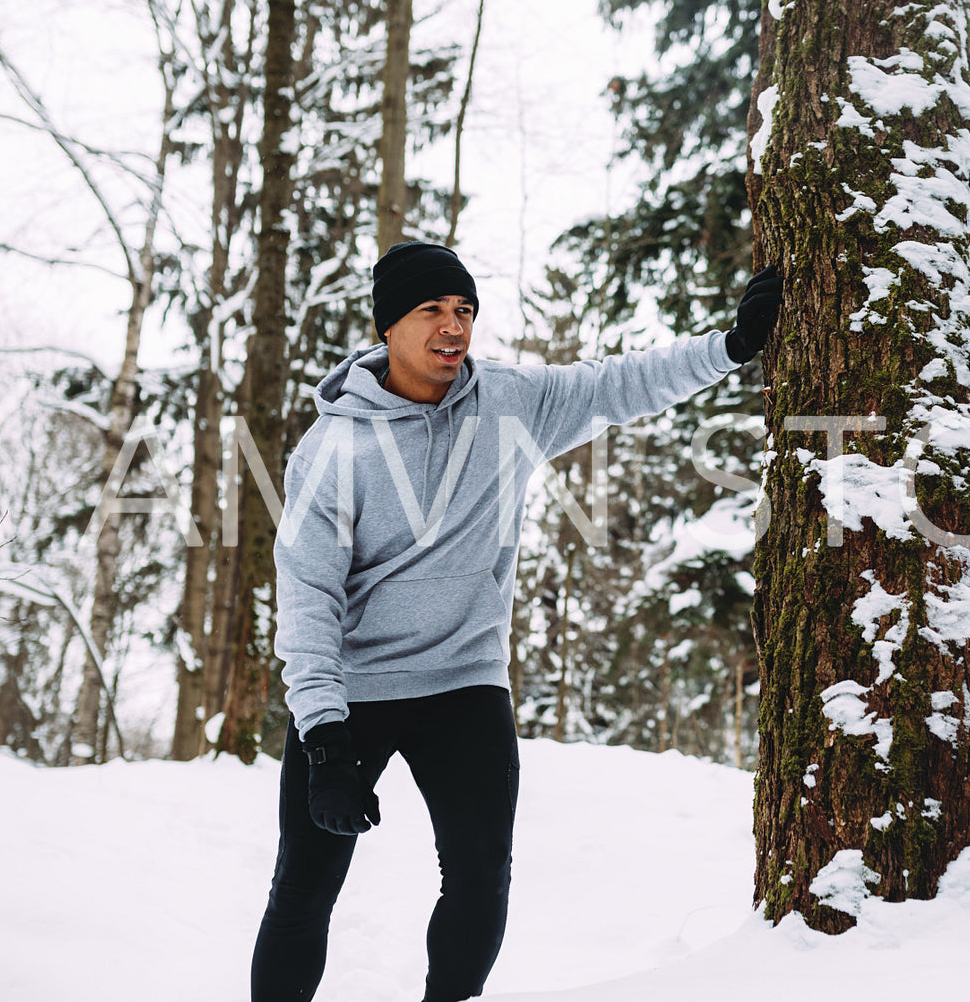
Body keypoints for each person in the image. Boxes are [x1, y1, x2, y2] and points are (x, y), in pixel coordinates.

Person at [250, 241, 782, 1002]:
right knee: (303, 888)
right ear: (389, 325)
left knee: (478, 882)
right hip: (352, 693)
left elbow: (615, 385)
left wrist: (727, 348)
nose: (452, 325)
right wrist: (324, 733)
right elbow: (307, 593)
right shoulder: (333, 446)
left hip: (463, 681)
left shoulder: (510, 402)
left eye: (464, 309)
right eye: (431, 309)